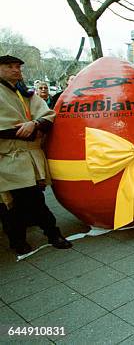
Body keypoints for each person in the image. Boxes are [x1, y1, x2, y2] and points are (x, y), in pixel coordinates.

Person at [0, 55, 72, 255]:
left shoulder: (26, 93)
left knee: (29, 200)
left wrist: (35, 124)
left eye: (18, 67)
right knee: (15, 204)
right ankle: (37, 236)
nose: (16, 70)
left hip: (28, 156)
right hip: (9, 157)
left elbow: (48, 115)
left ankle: (29, 238)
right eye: (9, 66)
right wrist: (31, 129)